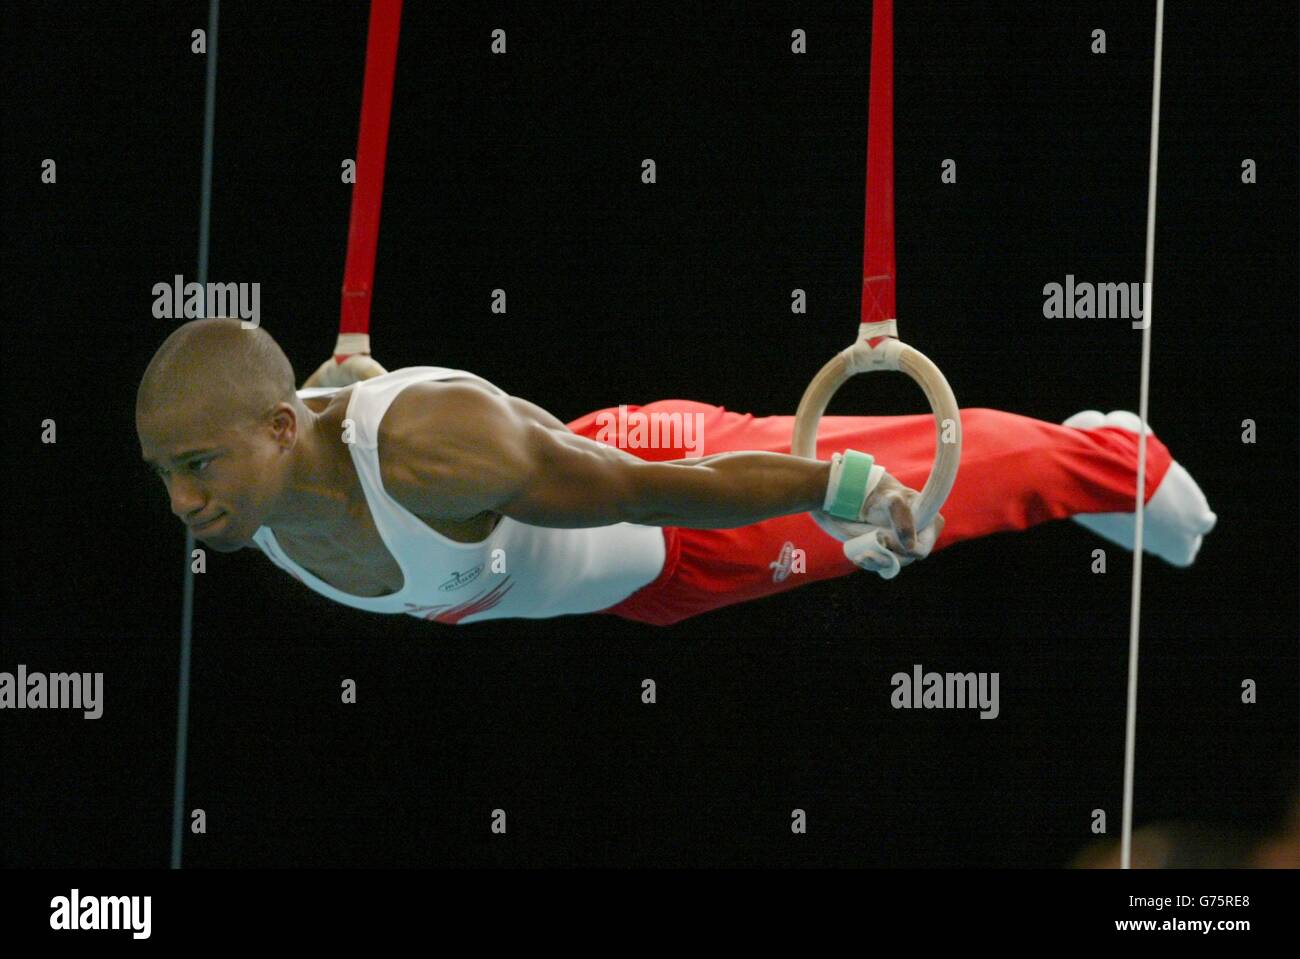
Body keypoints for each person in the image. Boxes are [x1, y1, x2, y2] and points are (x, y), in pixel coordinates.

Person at [135, 318, 1216, 626]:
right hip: (623, 586)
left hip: (659, 501)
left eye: (195, 465)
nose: (183, 502)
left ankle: (1114, 456)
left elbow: (653, 491)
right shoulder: (255, 490)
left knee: (903, 486)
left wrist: (831, 489)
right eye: (164, 474)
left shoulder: (433, 449)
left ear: (279, 425)